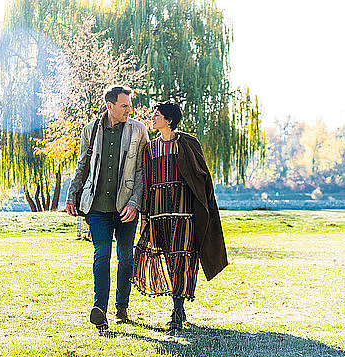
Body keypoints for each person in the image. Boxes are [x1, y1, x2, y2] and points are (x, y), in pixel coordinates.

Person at [133, 101, 228, 330]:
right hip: (158, 212)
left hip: (184, 212)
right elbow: (147, 182)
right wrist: (145, 214)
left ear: (169, 120)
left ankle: (178, 309)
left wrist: (202, 208)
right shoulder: (149, 149)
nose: (153, 118)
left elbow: (201, 176)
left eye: (157, 115)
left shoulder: (187, 143)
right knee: (164, 255)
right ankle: (176, 305)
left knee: (182, 256)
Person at [65, 85, 148, 331]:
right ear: (109, 106)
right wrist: (72, 196)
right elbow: (83, 164)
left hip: (126, 208)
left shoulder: (139, 130)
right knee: (101, 254)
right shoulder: (90, 130)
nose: (128, 110)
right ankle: (99, 308)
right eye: (124, 105)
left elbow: (143, 172)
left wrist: (135, 203)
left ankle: (122, 305)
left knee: (125, 257)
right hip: (97, 207)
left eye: (129, 105)